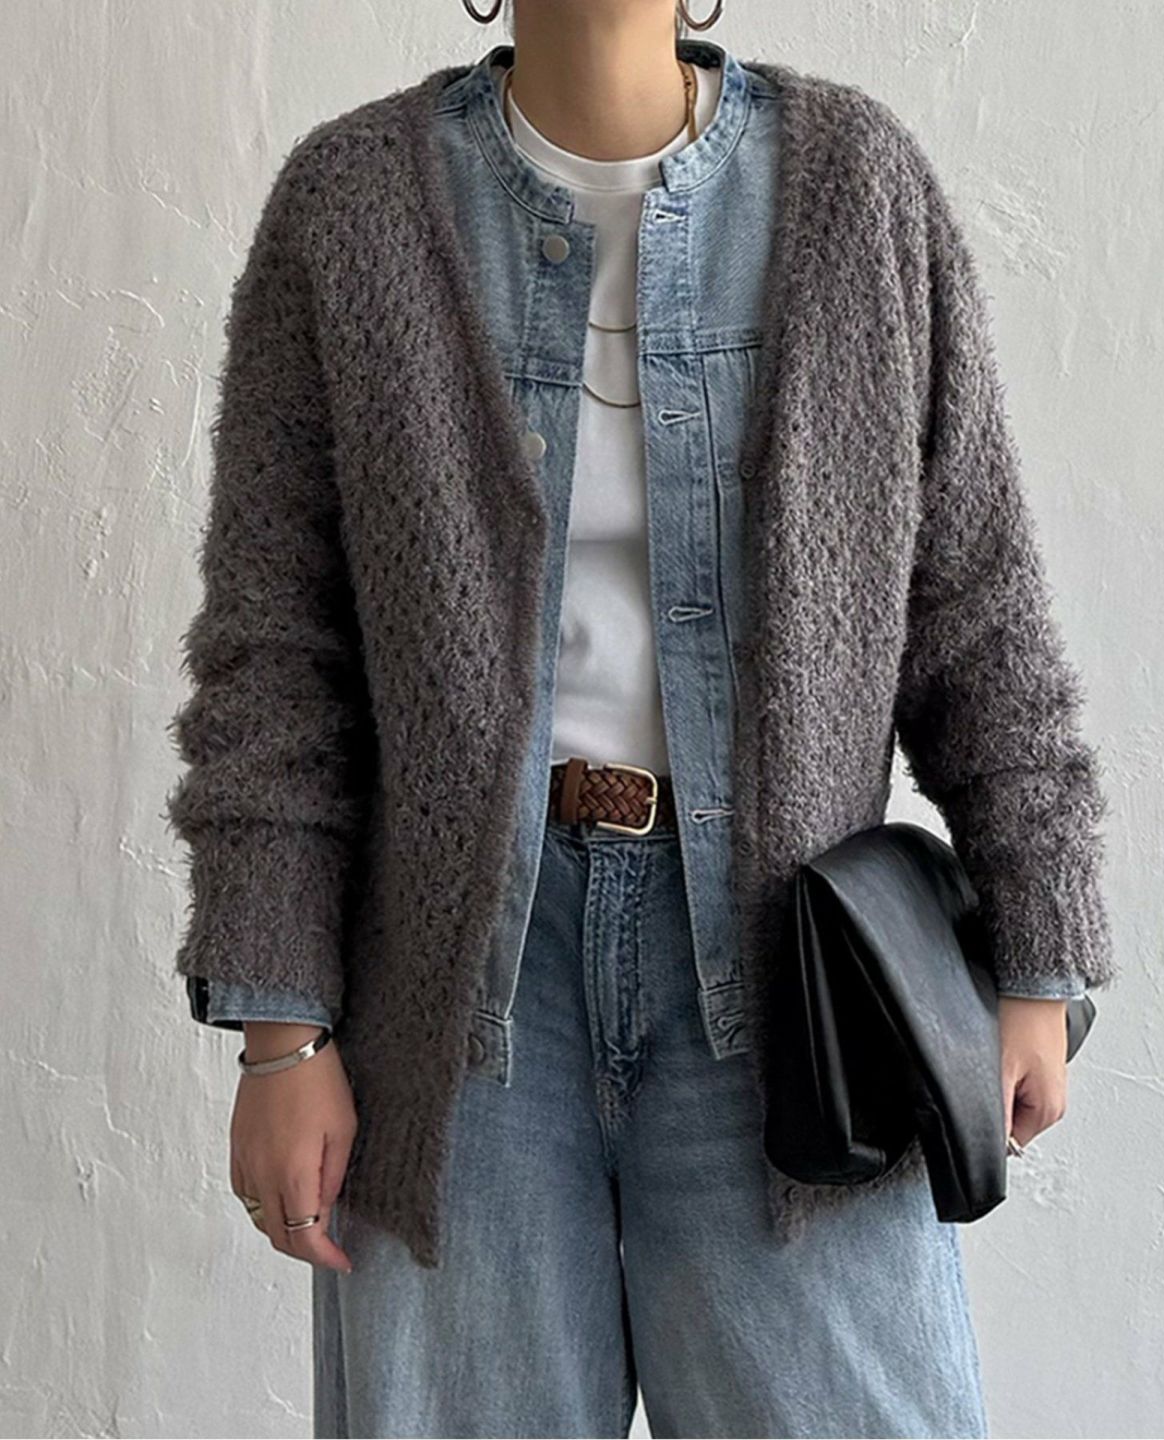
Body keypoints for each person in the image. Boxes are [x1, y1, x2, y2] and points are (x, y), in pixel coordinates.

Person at [165, 1, 1115, 1435]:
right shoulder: (352, 208)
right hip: (459, 1015)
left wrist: (1039, 952)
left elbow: (975, 602)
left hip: (792, 995)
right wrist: (279, 1031)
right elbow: (275, 654)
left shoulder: (855, 189)